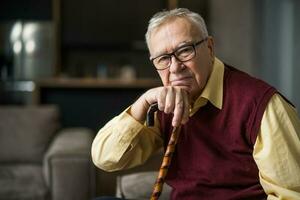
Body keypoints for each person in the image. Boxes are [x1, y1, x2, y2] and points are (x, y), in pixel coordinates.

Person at [92, 8, 300, 200]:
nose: (174, 68)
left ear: (209, 48)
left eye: (184, 50)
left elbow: (290, 195)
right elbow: (106, 159)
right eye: (163, 58)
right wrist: (143, 102)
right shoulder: (162, 104)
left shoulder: (262, 106)